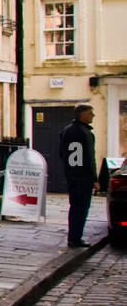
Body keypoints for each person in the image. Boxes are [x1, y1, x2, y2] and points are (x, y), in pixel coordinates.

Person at [59, 104, 99, 248]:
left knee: (74, 207)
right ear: (81, 115)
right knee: (82, 208)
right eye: (90, 113)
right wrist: (95, 179)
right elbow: (89, 157)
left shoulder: (66, 131)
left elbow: (62, 154)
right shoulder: (87, 133)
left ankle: (72, 237)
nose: (92, 116)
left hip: (71, 175)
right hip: (84, 177)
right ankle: (76, 239)